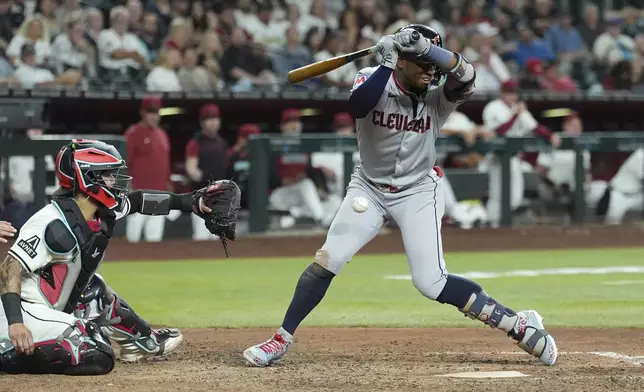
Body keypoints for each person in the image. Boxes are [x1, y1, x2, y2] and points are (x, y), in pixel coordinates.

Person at [243, 24, 557, 367]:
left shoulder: (440, 95)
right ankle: (281, 339)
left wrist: (427, 50)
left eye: (433, 64)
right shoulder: (370, 77)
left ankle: (518, 324)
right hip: (369, 188)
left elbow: (466, 75)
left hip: (418, 191)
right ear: (401, 61)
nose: (431, 71)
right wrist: (388, 61)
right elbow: (359, 106)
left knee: (430, 283)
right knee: (328, 259)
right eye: (421, 63)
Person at [0, 139, 239, 375]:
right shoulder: (51, 221)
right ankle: (9, 354)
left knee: (95, 290)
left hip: (51, 307)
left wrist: (191, 202)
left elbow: (138, 201)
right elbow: (9, 266)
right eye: (106, 174)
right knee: (96, 352)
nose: (114, 181)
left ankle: (140, 341)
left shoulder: (101, 210)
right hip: (23, 313)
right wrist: (16, 323)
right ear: (86, 178)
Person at [482, 80, 561, 227]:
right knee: (497, 195)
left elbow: (535, 127)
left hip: (514, 158)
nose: (512, 96)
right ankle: (491, 226)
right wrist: (516, 115)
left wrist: (550, 135)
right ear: (502, 93)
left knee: (516, 198)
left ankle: (498, 223)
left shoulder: (518, 109)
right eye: (509, 92)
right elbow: (499, 131)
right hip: (498, 157)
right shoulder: (492, 108)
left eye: (514, 93)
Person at [125, 97, 172, 243]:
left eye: (156, 112)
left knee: (155, 238)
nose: (154, 116)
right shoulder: (132, 133)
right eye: (150, 112)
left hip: (159, 194)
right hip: (138, 193)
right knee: (134, 237)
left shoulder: (162, 134)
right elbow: (125, 163)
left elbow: (165, 162)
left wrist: (168, 183)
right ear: (142, 113)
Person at [185, 103, 228, 241]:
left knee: (217, 237)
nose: (213, 122)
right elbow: (191, 168)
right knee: (201, 235)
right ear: (202, 122)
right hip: (202, 195)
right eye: (209, 119)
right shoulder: (196, 142)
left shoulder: (221, 142)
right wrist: (202, 179)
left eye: (215, 118)